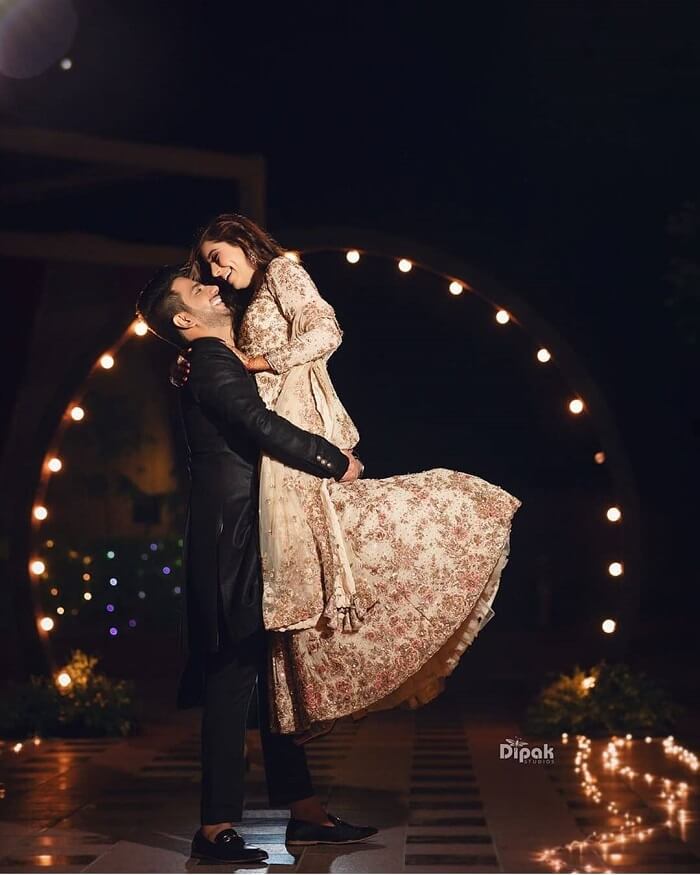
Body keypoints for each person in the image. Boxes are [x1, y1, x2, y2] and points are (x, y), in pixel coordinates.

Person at [182, 213, 522, 739]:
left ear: (241, 241)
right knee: (298, 575)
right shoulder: (247, 301)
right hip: (271, 447)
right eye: (206, 267)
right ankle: (301, 742)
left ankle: (459, 527)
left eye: (215, 256)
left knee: (329, 546)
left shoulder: (280, 273)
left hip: (297, 430)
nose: (215, 271)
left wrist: (260, 361)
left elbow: (325, 329)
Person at [136, 267, 377, 864]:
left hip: (243, 533)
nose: (215, 287)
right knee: (234, 679)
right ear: (184, 320)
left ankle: (304, 812)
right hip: (234, 541)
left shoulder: (215, 358)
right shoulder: (212, 357)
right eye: (199, 290)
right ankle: (215, 827)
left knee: (270, 676)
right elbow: (260, 426)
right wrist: (333, 461)